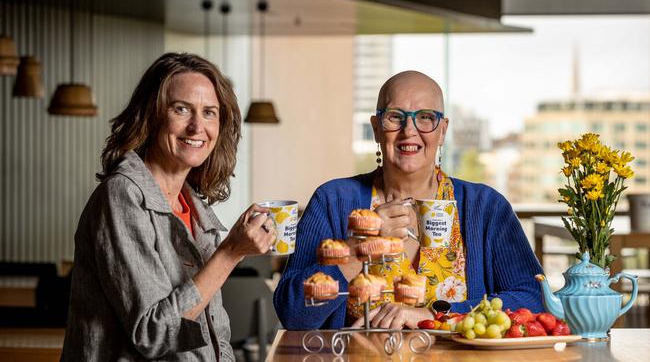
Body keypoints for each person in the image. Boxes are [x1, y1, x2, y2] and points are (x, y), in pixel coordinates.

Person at [273, 70, 544, 330]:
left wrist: (436, 313)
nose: (409, 130)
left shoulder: (486, 207)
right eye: (395, 117)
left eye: (425, 117)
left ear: (443, 130)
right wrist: (358, 249)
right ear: (377, 128)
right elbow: (293, 313)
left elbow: (534, 299)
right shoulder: (332, 200)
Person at [61, 53, 277, 361]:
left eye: (209, 113)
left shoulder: (194, 207)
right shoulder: (123, 196)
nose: (197, 127)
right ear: (151, 115)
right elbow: (154, 334)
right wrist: (230, 253)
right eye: (181, 109)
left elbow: (217, 334)